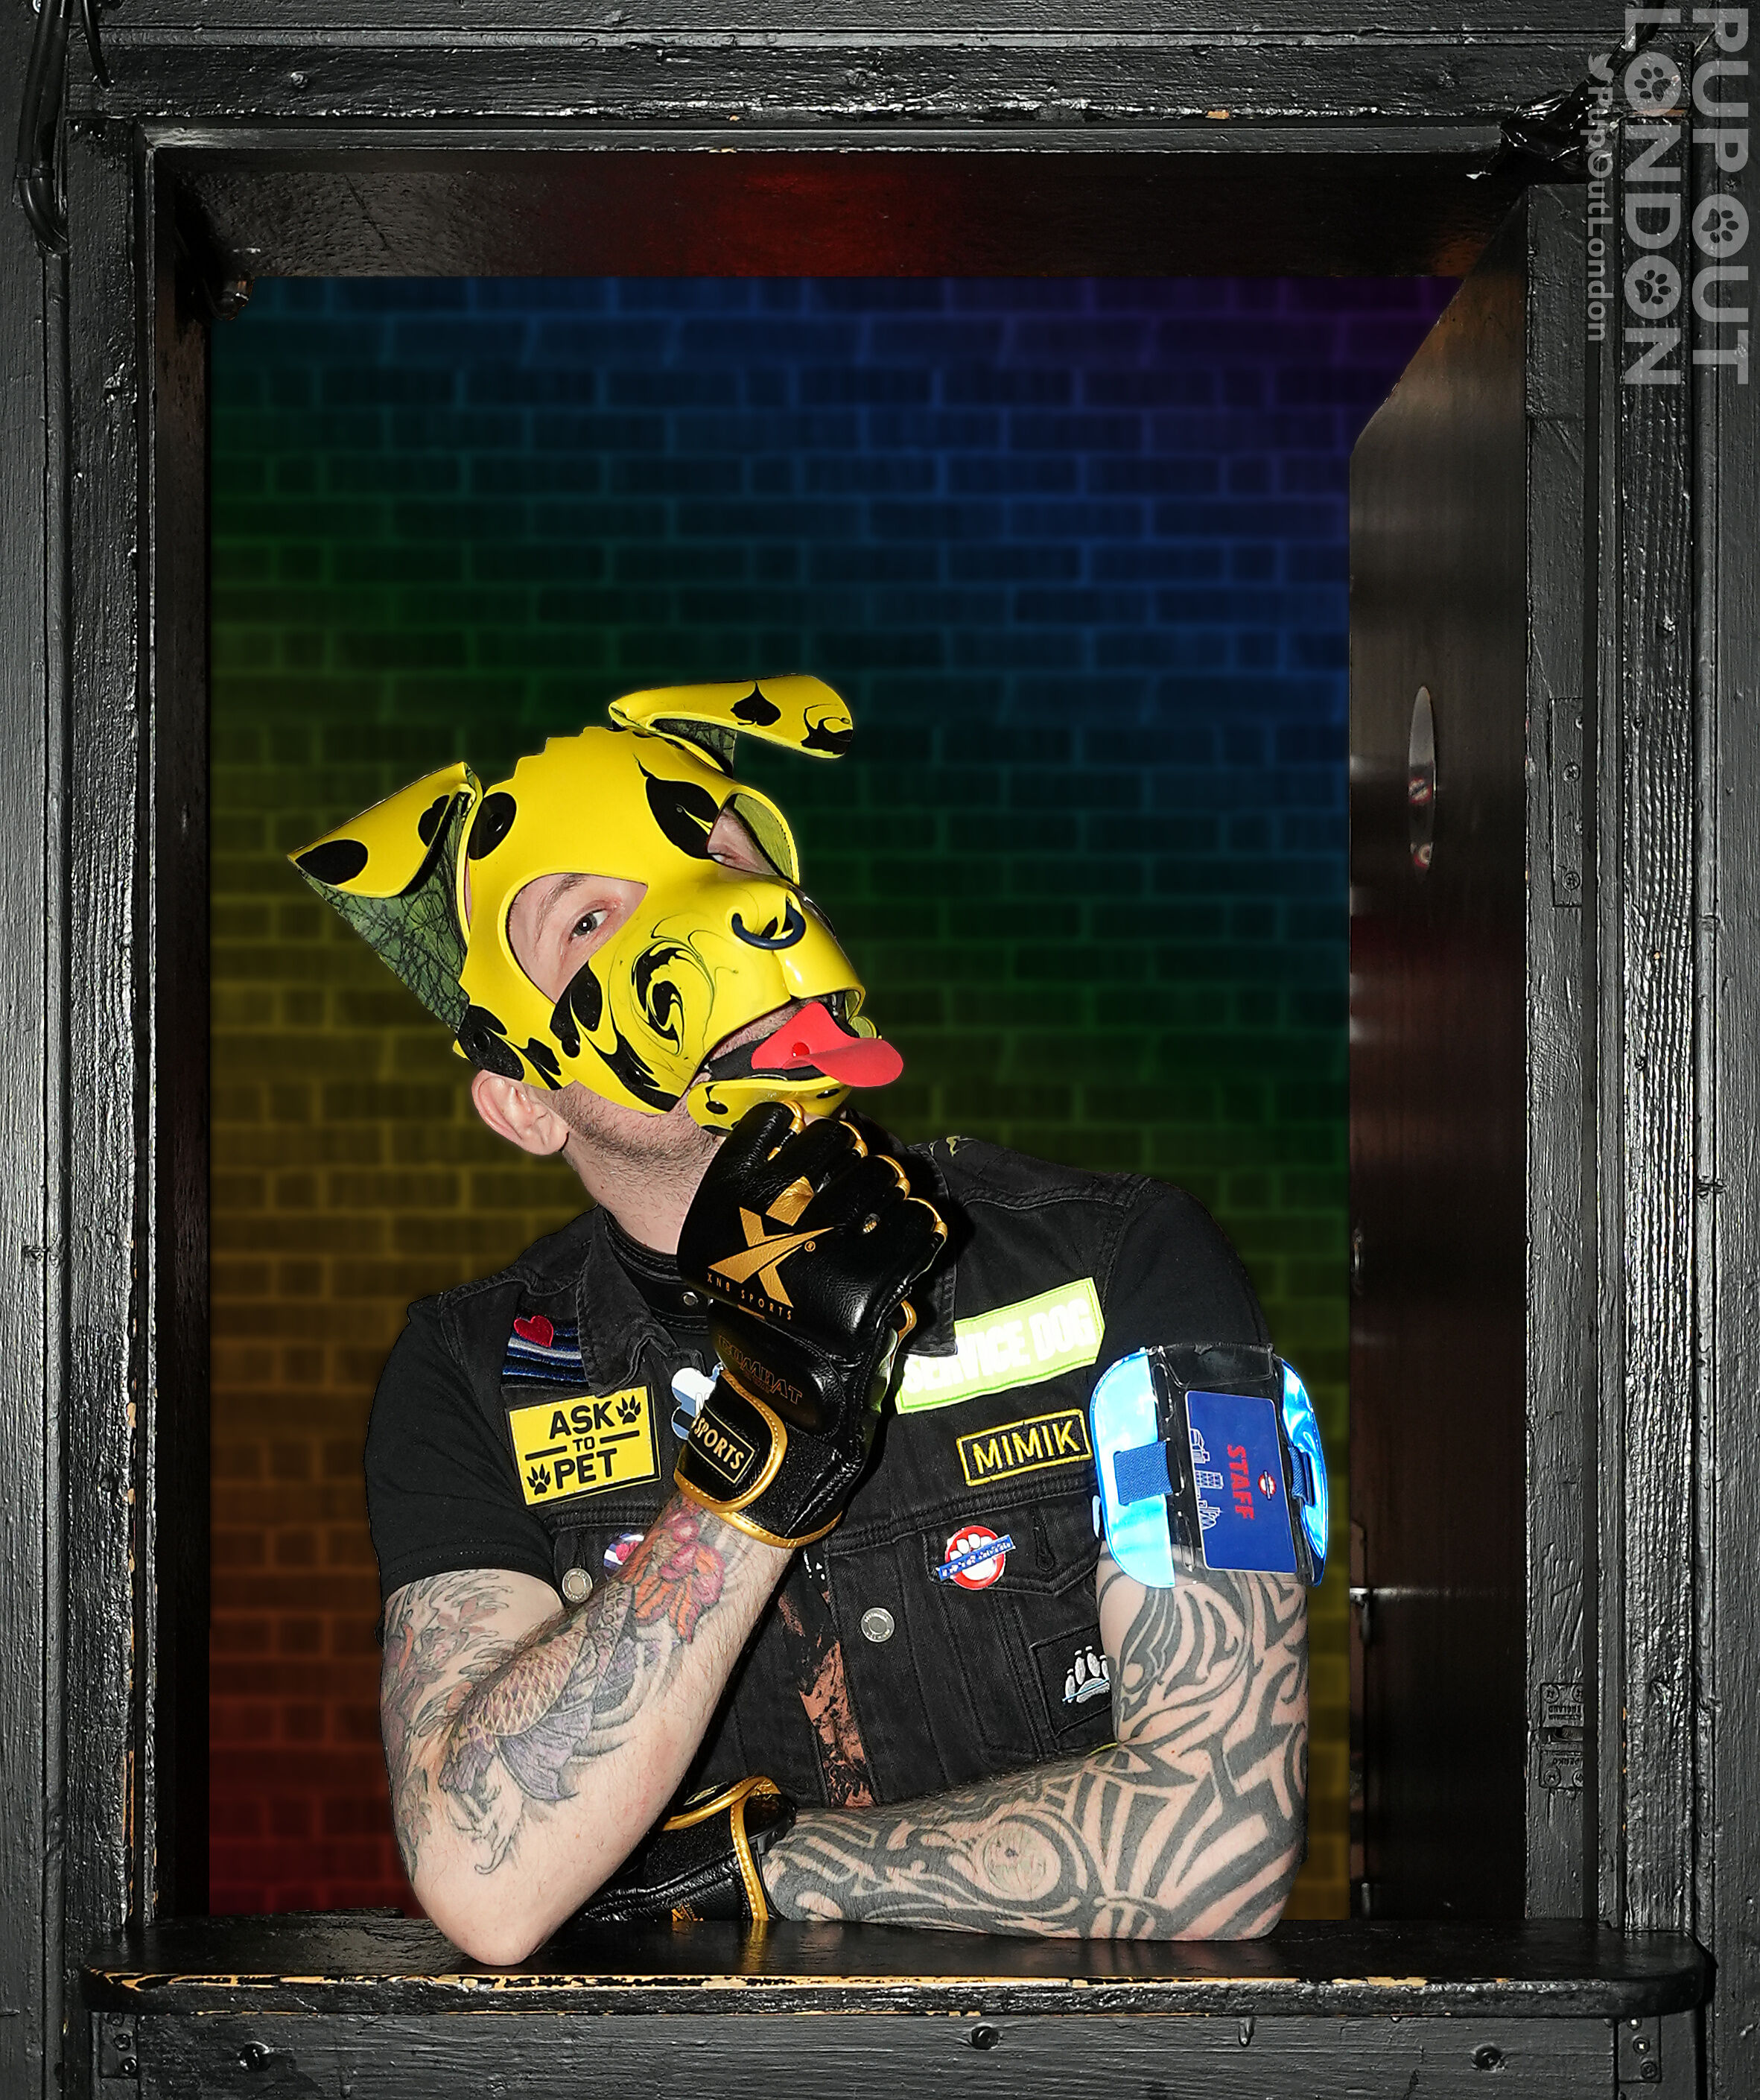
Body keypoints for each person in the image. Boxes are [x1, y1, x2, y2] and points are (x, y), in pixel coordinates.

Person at [293, 676, 1310, 1966]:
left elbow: (1223, 1846)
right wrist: (750, 1474)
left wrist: (744, 1869)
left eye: (723, 858)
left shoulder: (1123, 1265)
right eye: (591, 919)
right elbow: (487, 1881)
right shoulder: (474, 1375)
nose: (706, 917)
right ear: (525, 1101)